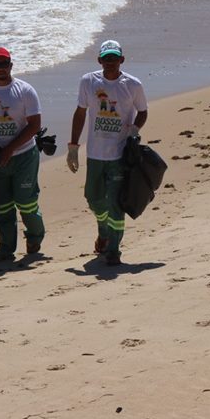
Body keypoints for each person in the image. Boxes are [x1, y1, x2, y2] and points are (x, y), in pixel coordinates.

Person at [67, 40, 148, 266]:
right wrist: (73, 146)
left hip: (119, 155)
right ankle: (103, 230)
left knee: (115, 203)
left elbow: (143, 111)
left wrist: (134, 129)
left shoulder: (133, 85)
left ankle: (113, 249)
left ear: (122, 60)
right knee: (93, 198)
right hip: (95, 154)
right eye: (106, 58)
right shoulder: (88, 81)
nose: (110, 62)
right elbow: (80, 113)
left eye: (114, 58)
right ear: (99, 60)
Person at [0, 47, 45, 263]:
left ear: (11, 66)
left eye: (4, 64)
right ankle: (6, 249)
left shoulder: (25, 91)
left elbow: (34, 125)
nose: (1, 69)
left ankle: (35, 237)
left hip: (24, 155)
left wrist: (10, 149)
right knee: (3, 207)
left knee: (26, 202)